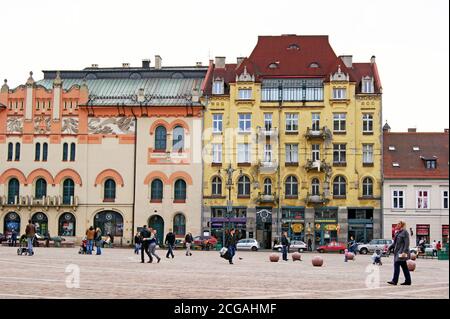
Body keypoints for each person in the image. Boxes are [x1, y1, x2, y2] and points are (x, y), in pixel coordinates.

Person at [387, 220, 412, 286]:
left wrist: (404, 252)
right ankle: (408, 281)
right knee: (404, 266)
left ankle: (394, 281)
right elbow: (395, 243)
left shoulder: (405, 232)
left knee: (397, 264)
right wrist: (389, 248)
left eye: (398, 224)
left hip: (402, 252)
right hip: (397, 252)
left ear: (402, 225)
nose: (397, 225)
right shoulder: (397, 233)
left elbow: (407, 243)